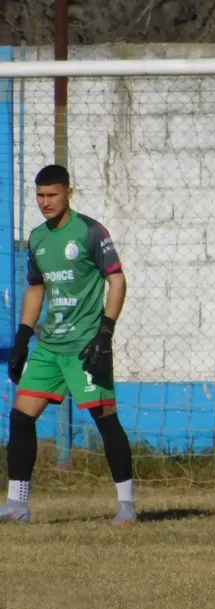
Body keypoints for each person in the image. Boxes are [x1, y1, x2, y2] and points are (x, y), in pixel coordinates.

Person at [0, 165, 136, 525]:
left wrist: (105, 333)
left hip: (85, 347)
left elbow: (117, 281)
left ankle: (126, 506)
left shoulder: (90, 232)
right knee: (20, 416)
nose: (45, 202)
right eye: (40, 195)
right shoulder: (38, 238)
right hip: (50, 347)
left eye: (52, 195)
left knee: (105, 420)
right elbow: (36, 287)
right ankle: (17, 504)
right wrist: (23, 338)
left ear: (68, 193)